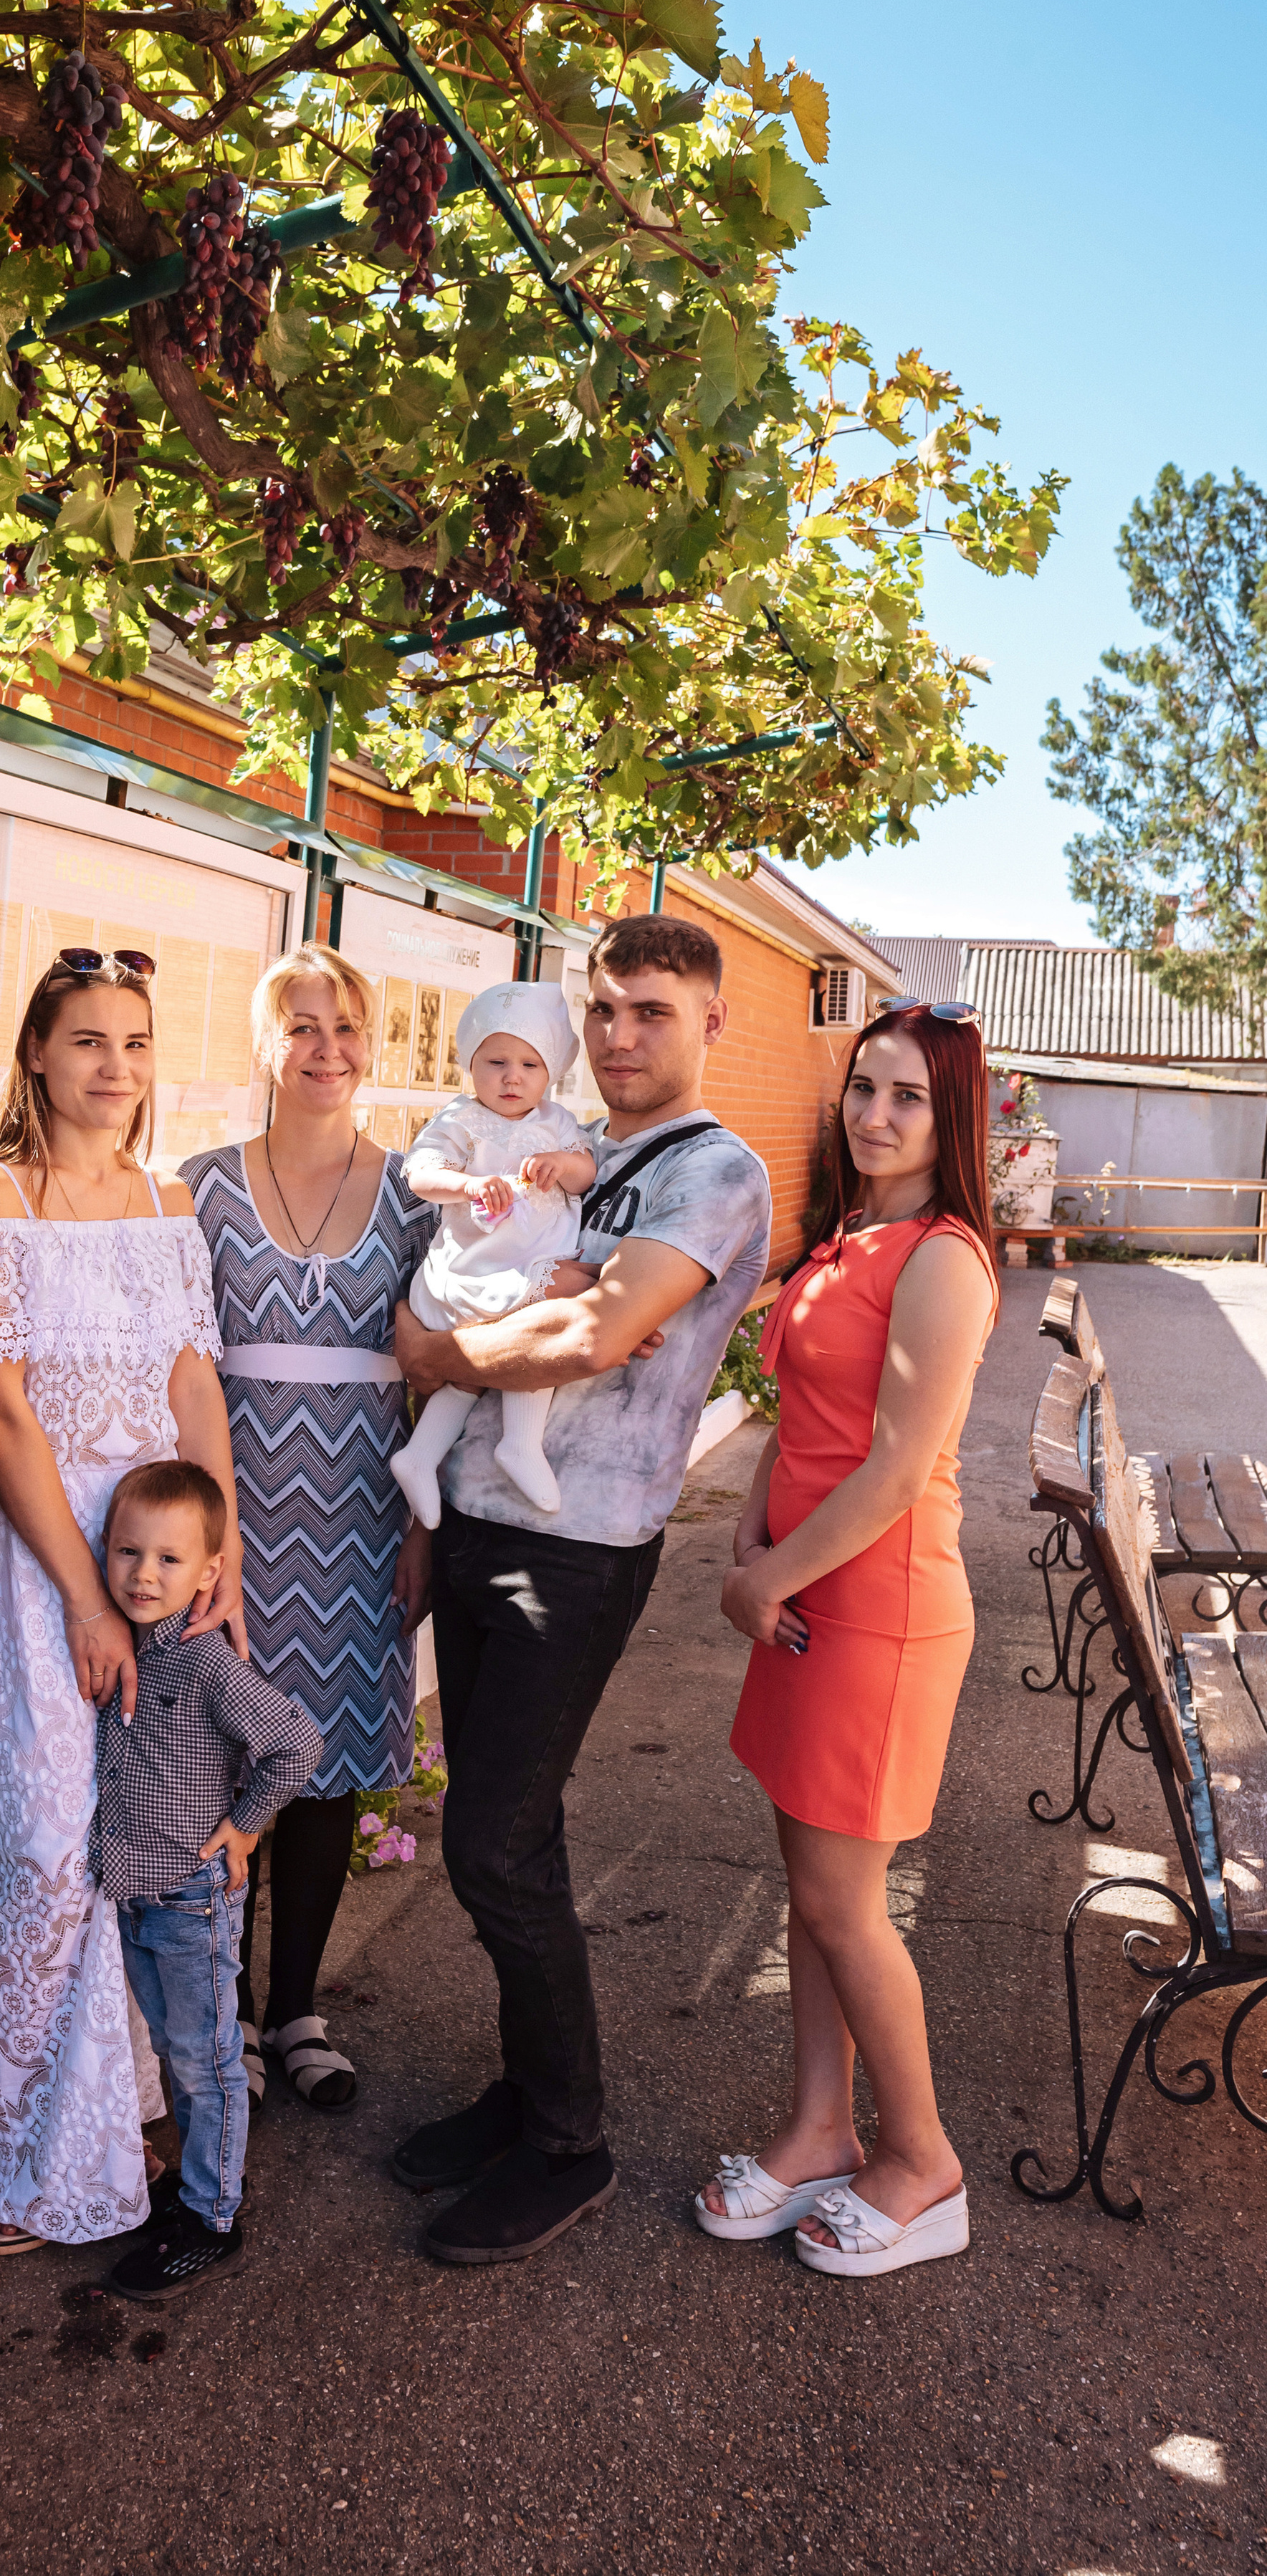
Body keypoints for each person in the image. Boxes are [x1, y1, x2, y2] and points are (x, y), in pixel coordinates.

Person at [392, 913, 771, 2264]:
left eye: (651, 1012)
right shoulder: (571, 1144)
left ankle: (571, 2139)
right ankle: (525, 2089)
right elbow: (511, 1292)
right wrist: (481, 1334)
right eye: (604, 1008)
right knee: (507, 1829)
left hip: (584, 1540)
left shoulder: (714, 1174)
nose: (618, 1035)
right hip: (485, 1518)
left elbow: (596, 1329)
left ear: (710, 1022)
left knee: (494, 1838)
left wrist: (441, 1351)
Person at [0, 947, 241, 2252]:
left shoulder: (170, 1198)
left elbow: (193, 1389)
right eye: (87, 1041)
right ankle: (2, 2157)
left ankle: (114, 2117)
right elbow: (4, 1411)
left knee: (148, 1850)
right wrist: (82, 1594)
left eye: (133, 1041)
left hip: (161, 1571)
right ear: (38, 1056)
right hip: (40, 1564)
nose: (113, 1066)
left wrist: (212, 1564)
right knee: (51, 1857)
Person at [698, 1000, 997, 2276]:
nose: (874, 1114)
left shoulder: (942, 1255)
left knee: (843, 1904)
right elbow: (807, 1416)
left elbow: (895, 1466)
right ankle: (822, 2125)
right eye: (864, 1087)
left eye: (907, 1097)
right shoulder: (852, 1234)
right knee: (816, 1897)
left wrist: (768, 1570)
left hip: (876, 1608)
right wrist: (755, 1545)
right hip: (804, 1597)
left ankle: (923, 2159)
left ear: (950, 1117)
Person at [183, 943, 434, 2113]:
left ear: (369, 1043)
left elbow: (441, 1382)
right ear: (264, 1040)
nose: (325, 1047)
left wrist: (425, 1531)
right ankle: (222, 2011)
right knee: (226, 1756)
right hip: (233, 1518)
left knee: (324, 1765)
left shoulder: (416, 1196)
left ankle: (298, 2009)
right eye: (302, 1024)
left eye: (345, 1026)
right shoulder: (199, 1186)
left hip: (360, 1518)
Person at [95, 1458, 323, 2301]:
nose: (144, 1575)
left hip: (191, 1901)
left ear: (209, 1572)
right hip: (139, 1897)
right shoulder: (125, 1646)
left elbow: (296, 1744)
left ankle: (212, 2219)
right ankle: (204, 2183)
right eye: (126, 1553)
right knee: (174, 2052)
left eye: (167, 1559)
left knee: (208, 2059)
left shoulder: (203, 1664)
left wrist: (246, 1824)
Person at [388, 982, 597, 1524]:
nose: (512, 1077)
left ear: (549, 1073)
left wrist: (560, 1164)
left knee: (496, 1357)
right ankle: (518, 1444)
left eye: (530, 1064)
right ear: (471, 1063)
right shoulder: (462, 1119)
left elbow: (586, 1172)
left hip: (531, 1262)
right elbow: (420, 1174)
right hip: (478, 1268)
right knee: (531, 1330)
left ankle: (422, 1455)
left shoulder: (556, 1123)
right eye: (496, 1061)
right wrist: (470, 1186)